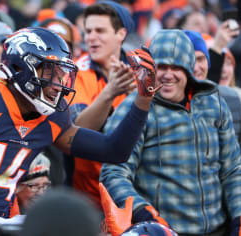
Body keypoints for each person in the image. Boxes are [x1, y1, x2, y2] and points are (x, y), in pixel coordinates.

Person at [0, 26, 158, 222]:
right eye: (49, 71)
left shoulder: (53, 118)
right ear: (19, 67)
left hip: (2, 220)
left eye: (62, 75)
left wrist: (143, 98)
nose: (58, 84)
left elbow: (114, 150)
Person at [101, 29, 241, 235]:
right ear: (151, 68)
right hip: (164, 230)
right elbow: (113, 172)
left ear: (189, 70)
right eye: (161, 67)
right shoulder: (135, 108)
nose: (167, 74)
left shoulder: (213, 100)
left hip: (220, 229)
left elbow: (233, 168)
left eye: (177, 67)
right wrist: (144, 214)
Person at [69, 1, 136, 209]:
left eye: (100, 30)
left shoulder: (141, 69)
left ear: (121, 34)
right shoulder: (76, 72)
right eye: (88, 31)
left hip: (138, 190)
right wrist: (110, 92)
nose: (91, 37)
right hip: (89, 198)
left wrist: (139, 97)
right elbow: (78, 131)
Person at [184, 30, 241, 142]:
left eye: (200, 59)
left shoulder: (234, 99)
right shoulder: (164, 104)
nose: (196, 67)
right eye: (190, 60)